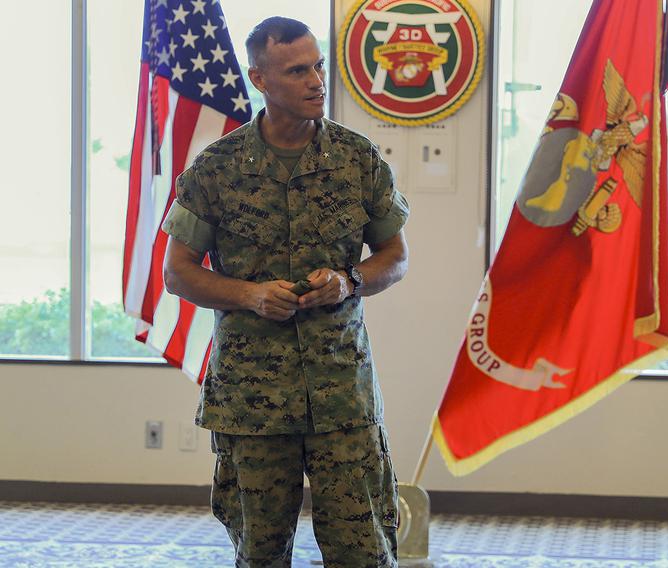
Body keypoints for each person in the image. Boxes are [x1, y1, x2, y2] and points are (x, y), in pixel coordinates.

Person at [160, 15, 409, 568]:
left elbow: (396, 257)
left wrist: (350, 281)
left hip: (341, 392)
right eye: (297, 71)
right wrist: (248, 294)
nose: (317, 80)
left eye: (318, 65)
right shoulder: (217, 169)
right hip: (253, 401)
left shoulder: (356, 158)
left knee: (364, 553)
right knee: (261, 554)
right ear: (260, 79)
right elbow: (177, 273)